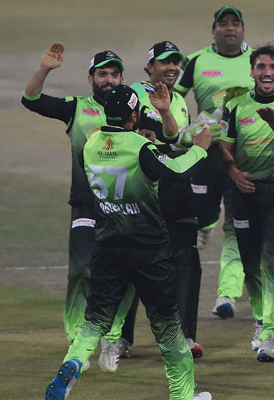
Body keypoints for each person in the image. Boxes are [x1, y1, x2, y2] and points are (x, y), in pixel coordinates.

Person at [44, 84, 213, 400]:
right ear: (134, 115)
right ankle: (183, 396)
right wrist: (200, 148)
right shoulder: (140, 146)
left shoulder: (92, 143)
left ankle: (74, 363)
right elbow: (175, 171)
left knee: (94, 321)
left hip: (108, 247)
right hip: (149, 250)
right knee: (168, 329)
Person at [22, 43, 136, 372]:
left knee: (123, 274)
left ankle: (112, 336)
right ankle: (76, 337)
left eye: (115, 74)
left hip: (124, 209)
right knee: (81, 269)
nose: (110, 79)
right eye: (103, 74)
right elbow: (30, 100)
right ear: (91, 78)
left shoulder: (133, 108)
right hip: (86, 204)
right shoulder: (77, 108)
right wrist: (44, 69)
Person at [220, 44, 274, 362]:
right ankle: (260, 320)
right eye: (261, 66)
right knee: (251, 263)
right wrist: (233, 172)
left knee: (272, 261)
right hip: (245, 194)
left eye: (273, 67)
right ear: (252, 71)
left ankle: (271, 335)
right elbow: (224, 146)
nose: (267, 72)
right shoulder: (236, 105)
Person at [118, 41, 205, 359]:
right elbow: (129, 132)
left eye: (176, 63)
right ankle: (120, 339)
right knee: (130, 267)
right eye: (165, 62)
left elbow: (173, 140)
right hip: (142, 192)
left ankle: (184, 336)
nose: (172, 68)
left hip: (176, 192)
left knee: (186, 263)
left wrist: (184, 130)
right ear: (150, 65)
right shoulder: (133, 93)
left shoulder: (180, 100)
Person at [174, 6, 254, 320]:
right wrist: (185, 130)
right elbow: (176, 100)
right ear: (214, 31)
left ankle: (227, 294)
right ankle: (205, 223)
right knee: (200, 214)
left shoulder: (257, 60)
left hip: (242, 155)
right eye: (223, 24)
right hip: (206, 153)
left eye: (235, 24)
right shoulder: (196, 61)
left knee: (236, 226)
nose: (230, 29)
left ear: (243, 30)